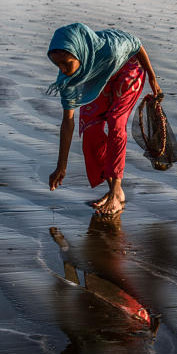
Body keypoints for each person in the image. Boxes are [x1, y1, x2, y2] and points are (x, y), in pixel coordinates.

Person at [47, 23, 161, 215]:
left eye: (67, 63)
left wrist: (152, 78)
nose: (64, 69)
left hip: (128, 68)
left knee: (116, 122)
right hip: (97, 76)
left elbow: (136, 44)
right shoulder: (68, 80)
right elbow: (68, 122)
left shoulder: (111, 47)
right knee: (90, 130)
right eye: (58, 65)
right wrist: (61, 166)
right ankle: (115, 192)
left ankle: (116, 191)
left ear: (79, 52)